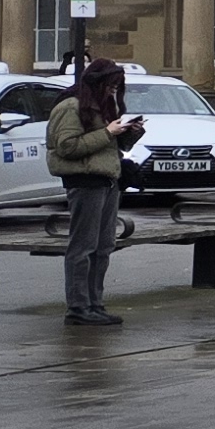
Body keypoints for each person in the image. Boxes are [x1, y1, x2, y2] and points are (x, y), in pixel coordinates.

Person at [44, 56, 141, 327]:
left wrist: (130, 132)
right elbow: (66, 146)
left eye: (117, 86)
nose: (113, 91)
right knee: (83, 247)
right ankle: (78, 307)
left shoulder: (101, 105)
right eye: (110, 85)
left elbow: (114, 147)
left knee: (103, 246)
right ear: (98, 82)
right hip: (85, 182)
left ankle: (94, 304)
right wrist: (109, 132)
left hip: (108, 180)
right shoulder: (71, 106)